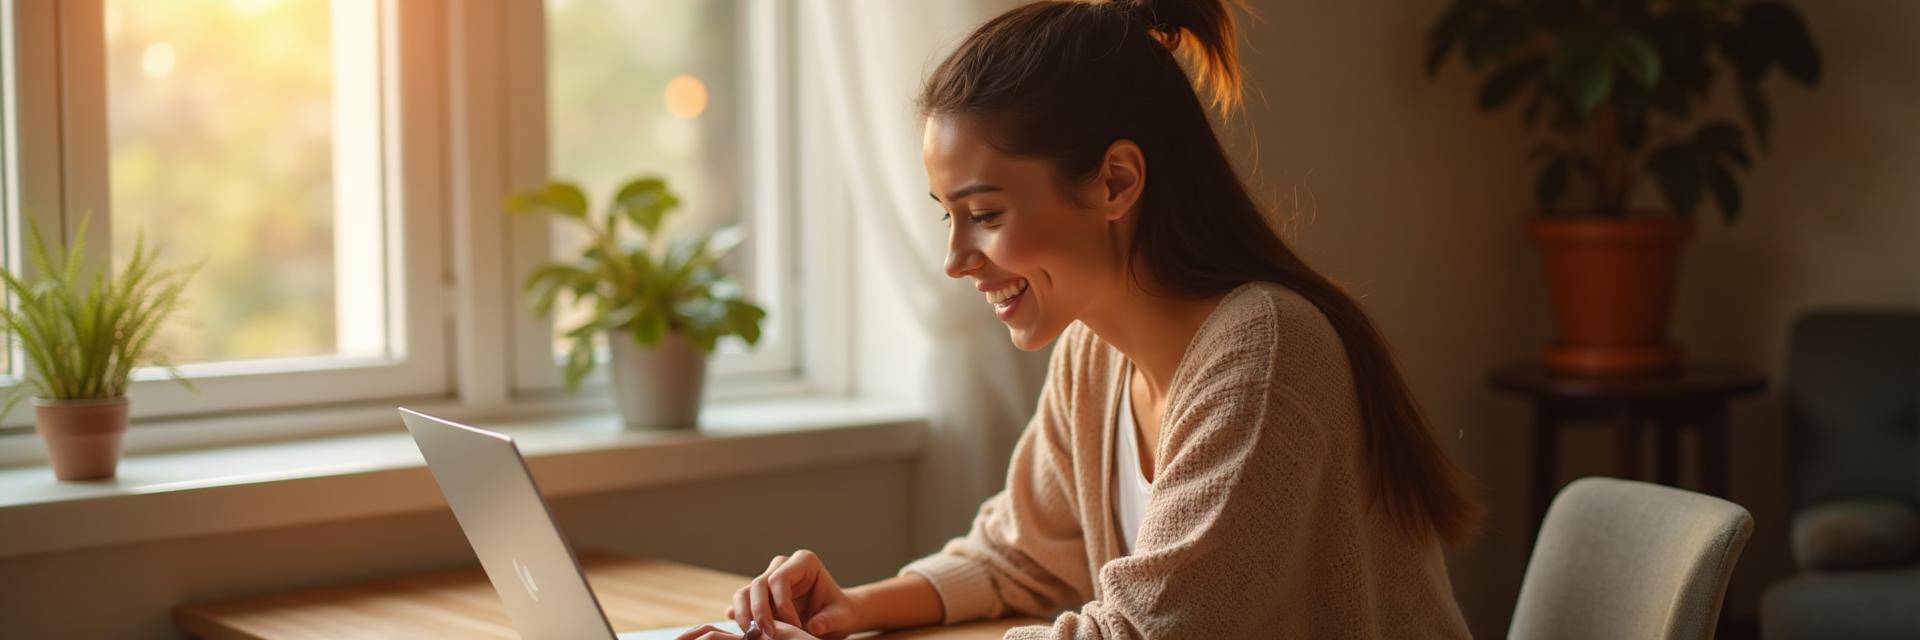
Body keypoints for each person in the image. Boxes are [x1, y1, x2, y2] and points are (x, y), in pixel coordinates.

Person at [678, 1, 1481, 638]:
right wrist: (851, 609)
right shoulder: (1094, 356)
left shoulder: (1263, 353)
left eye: (984, 213)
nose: (956, 259)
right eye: (946, 217)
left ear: (1116, 182)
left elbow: (1141, 634)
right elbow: (1021, 557)